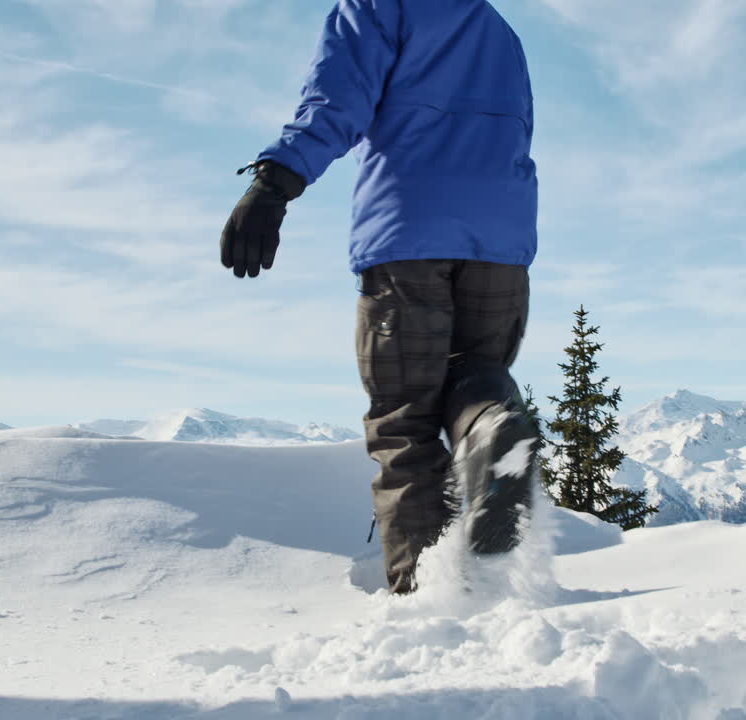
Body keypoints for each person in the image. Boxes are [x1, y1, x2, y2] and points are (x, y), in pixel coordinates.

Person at [219, 0, 539, 594]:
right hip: (502, 238)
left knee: (406, 425)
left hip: (408, 232)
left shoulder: (374, 7)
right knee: (473, 378)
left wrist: (275, 182)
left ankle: (426, 603)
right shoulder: (498, 28)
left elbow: (335, 101)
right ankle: (493, 424)